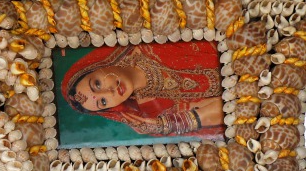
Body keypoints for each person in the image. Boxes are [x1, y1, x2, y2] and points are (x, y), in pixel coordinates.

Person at [60, 41, 223, 138]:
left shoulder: (149, 42)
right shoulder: (153, 113)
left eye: (97, 84)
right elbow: (226, 107)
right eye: (103, 102)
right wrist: (171, 124)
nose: (109, 92)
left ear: (97, 66)